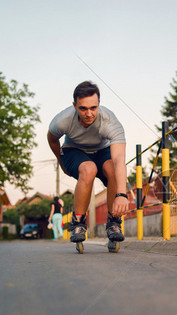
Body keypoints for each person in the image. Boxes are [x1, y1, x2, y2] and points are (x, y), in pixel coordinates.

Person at [47, 81, 129, 248]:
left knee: (112, 168)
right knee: (88, 169)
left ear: (99, 104)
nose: (89, 113)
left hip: (102, 151)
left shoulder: (110, 121)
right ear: (75, 106)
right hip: (74, 150)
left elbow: (119, 159)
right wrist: (61, 161)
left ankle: (113, 222)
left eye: (93, 108)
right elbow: (52, 139)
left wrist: (122, 194)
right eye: (83, 108)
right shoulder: (62, 120)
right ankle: (78, 222)